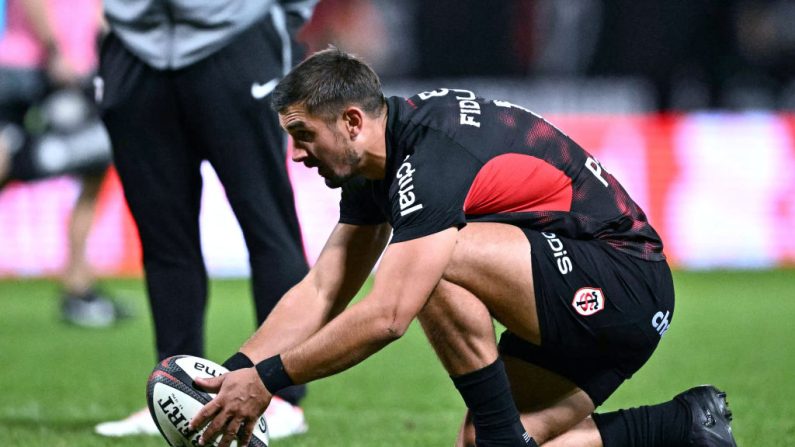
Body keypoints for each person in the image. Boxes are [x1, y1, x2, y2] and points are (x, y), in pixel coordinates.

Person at [188, 48, 738, 447]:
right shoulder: (375, 164)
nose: (299, 154)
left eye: (304, 135)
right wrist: (231, 373)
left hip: (621, 280)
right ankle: (681, 423)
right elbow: (323, 288)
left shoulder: (430, 158)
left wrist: (268, 381)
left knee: (433, 260)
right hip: (582, 293)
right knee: (481, 440)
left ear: (352, 121)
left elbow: (388, 317)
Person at [92, 0, 318, 439]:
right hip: (132, 47)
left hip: (237, 39)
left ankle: (281, 395)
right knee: (162, 240)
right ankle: (173, 389)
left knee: (268, 227)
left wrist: (275, 16)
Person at [0, 0, 125, 327]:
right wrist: (54, 48)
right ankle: (77, 285)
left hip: (81, 66)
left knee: (95, 164)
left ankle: (78, 285)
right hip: (30, 63)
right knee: (5, 161)